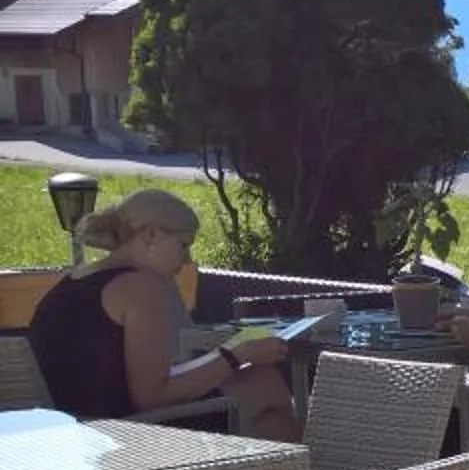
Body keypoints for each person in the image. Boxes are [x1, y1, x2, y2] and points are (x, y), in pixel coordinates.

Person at [29, 189, 298, 441]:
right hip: (129, 440)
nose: (187, 260)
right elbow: (153, 395)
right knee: (265, 382)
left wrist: (233, 354)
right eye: (183, 245)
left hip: (71, 434)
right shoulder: (142, 289)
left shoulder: (74, 281)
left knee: (269, 422)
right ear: (151, 235)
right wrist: (238, 355)